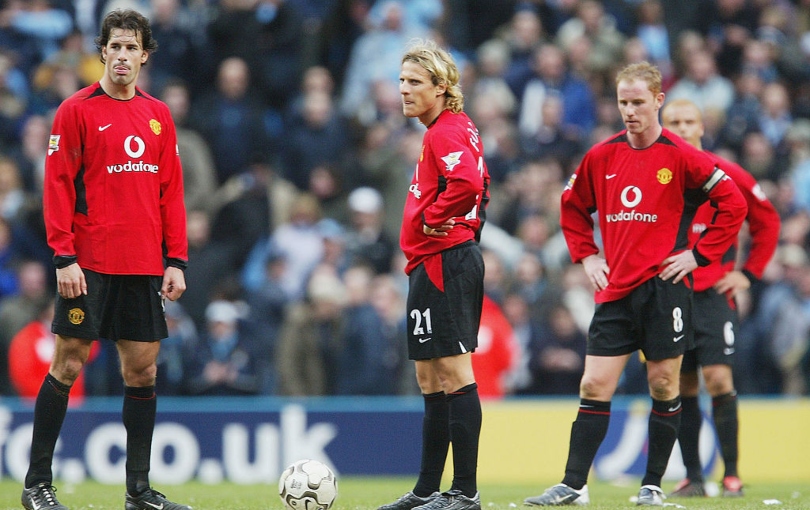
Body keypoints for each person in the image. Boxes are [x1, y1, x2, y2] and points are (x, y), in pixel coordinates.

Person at [523, 61, 747, 507]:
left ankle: (651, 485)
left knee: (664, 385)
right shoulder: (601, 156)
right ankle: (572, 484)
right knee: (593, 385)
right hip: (615, 291)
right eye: (623, 102)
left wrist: (698, 255)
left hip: (665, 291)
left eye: (638, 102)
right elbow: (570, 206)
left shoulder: (681, 156)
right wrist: (587, 255)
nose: (629, 111)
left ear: (657, 101)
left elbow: (733, 203)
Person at [21, 9, 190, 510]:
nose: (121, 56)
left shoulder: (159, 115)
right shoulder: (74, 111)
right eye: (113, 46)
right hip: (87, 264)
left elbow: (171, 193)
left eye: (130, 47)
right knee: (68, 363)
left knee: (143, 372)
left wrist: (176, 259)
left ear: (144, 54)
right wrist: (62, 256)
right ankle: (36, 484)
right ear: (102, 53)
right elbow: (56, 185)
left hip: (142, 264)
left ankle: (138, 490)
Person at [377, 39, 490, 510]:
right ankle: (427, 490)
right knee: (428, 376)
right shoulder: (452, 128)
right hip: (430, 262)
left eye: (414, 82)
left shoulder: (445, 131)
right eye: (401, 80)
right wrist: (471, 219)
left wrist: (434, 217)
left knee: (453, 372)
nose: (403, 90)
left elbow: (467, 183)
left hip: (446, 260)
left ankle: (465, 490)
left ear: (441, 88)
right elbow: (483, 183)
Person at [661, 99, 780, 498]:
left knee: (718, 377)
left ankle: (731, 473)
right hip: (669, 292)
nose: (681, 127)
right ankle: (693, 476)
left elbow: (767, 219)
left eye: (688, 121)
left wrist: (748, 274)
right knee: (682, 383)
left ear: (702, 126)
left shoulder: (726, 172)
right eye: (673, 122)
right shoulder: (654, 175)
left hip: (713, 292)